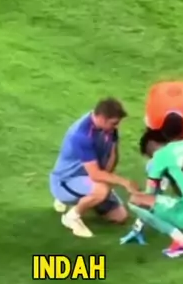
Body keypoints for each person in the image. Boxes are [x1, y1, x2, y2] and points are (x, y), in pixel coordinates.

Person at [121, 113, 183, 258]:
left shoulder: (162, 155)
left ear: (163, 133)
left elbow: (150, 195)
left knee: (135, 200)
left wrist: (139, 223)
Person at [49, 98, 138, 238]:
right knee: (101, 190)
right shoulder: (81, 135)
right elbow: (95, 174)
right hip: (66, 181)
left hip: (88, 180)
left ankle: (88, 198)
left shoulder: (109, 128)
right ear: (102, 118)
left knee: (120, 216)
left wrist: (107, 179)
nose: (116, 126)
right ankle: (72, 217)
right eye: (114, 123)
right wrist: (124, 182)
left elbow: (112, 155)